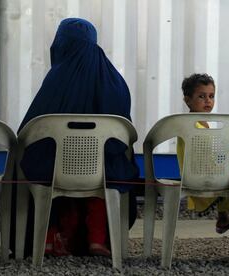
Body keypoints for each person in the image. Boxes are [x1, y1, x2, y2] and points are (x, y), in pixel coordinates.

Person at [18, 18, 140, 256]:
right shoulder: (114, 81)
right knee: (111, 162)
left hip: (55, 174)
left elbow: (29, 133)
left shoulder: (55, 81)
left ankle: (49, 237)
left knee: (39, 160)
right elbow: (123, 137)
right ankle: (97, 240)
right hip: (104, 175)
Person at [177, 73, 229, 234]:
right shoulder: (192, 126)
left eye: (211, 96)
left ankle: (224, 215)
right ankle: (228, 215)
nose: (208, 101)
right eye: (201, 96)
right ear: (187, 100)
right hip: (200, 175)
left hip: (198, 172)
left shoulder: (199, 123)